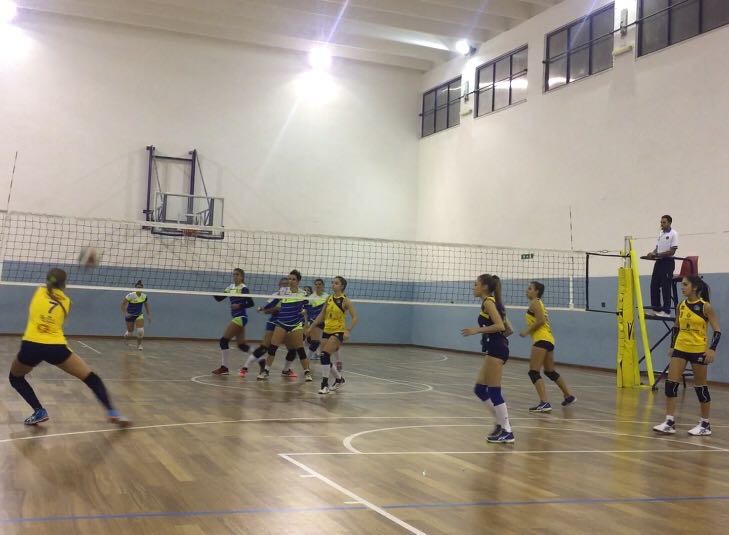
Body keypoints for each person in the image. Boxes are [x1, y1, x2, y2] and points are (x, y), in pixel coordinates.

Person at [8, 268, 131, 426]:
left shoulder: (39, 292)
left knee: (15, 378)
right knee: (91, 378)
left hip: (31, 345)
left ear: (47, 281)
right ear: (64, 284)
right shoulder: (66, 302)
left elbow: (49, 287)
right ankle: (112, 412)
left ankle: (39, 410)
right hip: (56, 347)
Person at [654, 275, 720, 436]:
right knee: (670, 384)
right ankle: (669, 422)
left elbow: (717, 331)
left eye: (685, 284)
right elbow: (676, 327)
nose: (682, 287)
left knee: (700, 387)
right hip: (680, 348)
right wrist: (672, 346)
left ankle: (705, 424)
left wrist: (712, 349)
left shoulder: (705, 307)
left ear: (695, 287)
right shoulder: (681, 305)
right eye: (682, 284)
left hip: (698, 350)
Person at [461, 274, 514, 444]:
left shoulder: (489, 303)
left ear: (484, 287)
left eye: (475, 284)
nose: (473, 287)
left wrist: (477, 330)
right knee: (479, 389)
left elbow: (500, 326)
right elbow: (509, 329)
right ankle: (500, 423)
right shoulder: (494, 302)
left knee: (494, 391)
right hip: (495, 348)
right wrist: (493, 338)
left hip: (496, 350)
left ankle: (507, 430)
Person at [520, 281, 575, 412]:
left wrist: (526, 331)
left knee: (533, 372)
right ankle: (568, 396)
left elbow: (541, 321)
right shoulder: (538, 303)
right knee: (549, 371)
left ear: (537, 291)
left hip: (541, 339)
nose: (527, 290)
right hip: (548, 339)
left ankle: (544, 403)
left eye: (530, 288)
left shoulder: (535, 302)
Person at [259, 270, 312, 381]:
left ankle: (307, 372)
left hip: (295, 324)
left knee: (300, 349)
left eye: (293, 279)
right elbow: (274, 302)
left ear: (298, 281)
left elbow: (308, 307)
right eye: (289, 279)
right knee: (273, 347)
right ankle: (266, 371)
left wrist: (305, 312)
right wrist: (264, 308)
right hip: (282, 322)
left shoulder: (303, 294)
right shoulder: (283, 290)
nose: (290, 281)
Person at [309, 276, 357, 394]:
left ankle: (324, 385)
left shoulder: (345, 300)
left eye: (336, 283)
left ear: (342, 286)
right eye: (332, 283)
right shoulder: (329, 298)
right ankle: (339, 379)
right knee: (324, 358)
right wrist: (311, 327)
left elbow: (355, 317)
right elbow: (322, 315)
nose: (333, 285)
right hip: (327, 330)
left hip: (338, 331)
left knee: (324, 355)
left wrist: (348, 330)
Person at [211, 268, 255, 375]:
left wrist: (239, 305)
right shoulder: (230, 287)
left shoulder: (244, 288)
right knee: (242, 345)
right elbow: (219, 299)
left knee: (223, 341)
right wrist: (211, 292)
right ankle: (260, 357)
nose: (235, 276)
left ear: (242, 277)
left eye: (237, 274)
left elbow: (251, 303)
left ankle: (224, 368)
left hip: (240, 317)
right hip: (237, 318)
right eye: (234, 274)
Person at [646, 215, 678, 317]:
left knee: (665, 286)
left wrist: (658, 254)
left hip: (668, 262)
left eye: (664, 222)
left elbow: (672, 251)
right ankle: (656, 309)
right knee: (654, 285)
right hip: (659, 262)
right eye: (661, 222)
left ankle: (666, 311)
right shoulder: (661, 233)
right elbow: (657, 248)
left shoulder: (674, 234)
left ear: (669, 223)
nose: (662, 224)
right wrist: (652, 253)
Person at [121, 280, 150, 350]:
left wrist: (148, 315)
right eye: (137, 287)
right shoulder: (130, 295)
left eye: (140, 287)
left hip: (139, 315)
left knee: (140, 331)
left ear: (142, 288)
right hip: (130, 315)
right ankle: (126, 338)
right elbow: (122, 304)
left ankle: (139, 345)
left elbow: (146, 305)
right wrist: (126, 313)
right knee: (130, 333)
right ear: (135, 288)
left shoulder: (144, 296)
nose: (138, 289)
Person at [305, 278, 329, 361]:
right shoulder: (311, 298)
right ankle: (306, 360)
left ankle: (334, 361)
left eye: (319, 284)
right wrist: (308, 323)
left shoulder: (327, 297)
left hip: (326, 321)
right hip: (315, 321)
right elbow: (308, 312)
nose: (318, 286)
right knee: (315, 342)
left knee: (329, 343)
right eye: (316, 284)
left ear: (323, 286)